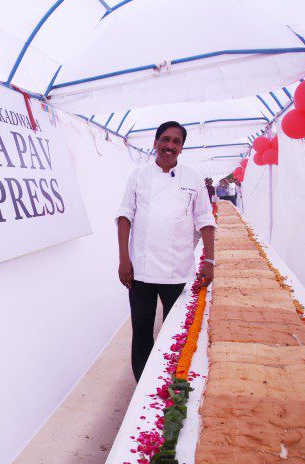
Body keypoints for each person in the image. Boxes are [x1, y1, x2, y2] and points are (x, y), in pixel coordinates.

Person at [116, 121, 216, 382]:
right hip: (141, 271)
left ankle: (174, 381)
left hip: (177, 271)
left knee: (177, 332)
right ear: (156, 142)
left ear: (182, 147)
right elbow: (125, 216)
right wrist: (124, 260)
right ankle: (144, 383)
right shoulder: (139, 175)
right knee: (141, 331)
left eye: (176, 141)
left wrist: (209, 260)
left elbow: (205, 219)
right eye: (166, 139)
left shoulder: (192, 177)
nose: (170, 145)